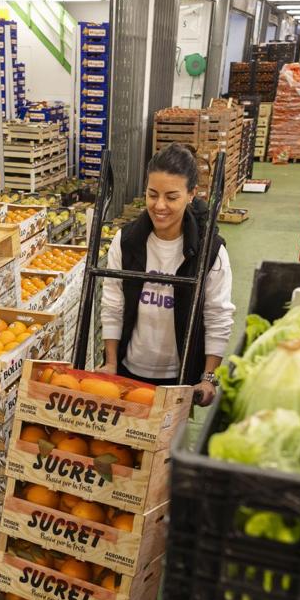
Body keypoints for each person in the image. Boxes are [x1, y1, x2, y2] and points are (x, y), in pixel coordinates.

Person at [100, 144, 235, 406]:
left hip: (180, 377)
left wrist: (208, 377)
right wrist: (111, 362)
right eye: (152, 194)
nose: (159, 205)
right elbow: (113, 303)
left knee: (168, 445)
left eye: (171, 197)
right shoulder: (126, 242)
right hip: (128, 368)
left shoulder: (211, 251)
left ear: (191, 194)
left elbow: (218, 315)